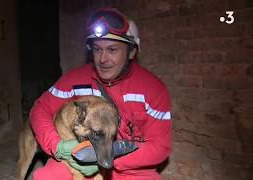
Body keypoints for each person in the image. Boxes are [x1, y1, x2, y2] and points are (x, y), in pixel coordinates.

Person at [30, 7, 172, 180]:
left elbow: (160, 147)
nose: (102, 59)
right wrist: (58, 146)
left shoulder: (153, 89)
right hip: (76, 160)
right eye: (97, 49)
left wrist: (108, 158)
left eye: (112, 50)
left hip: (129, 167)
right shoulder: (74, 79)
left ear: (132, 52)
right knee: (48, 177)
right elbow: (39, 109)